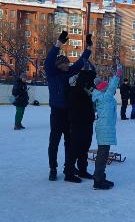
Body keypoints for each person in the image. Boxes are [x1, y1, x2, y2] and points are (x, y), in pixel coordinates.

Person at [45, 31, 92, 182]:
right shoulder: (52, 73)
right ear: (58, 65)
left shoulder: (69, 72)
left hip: (69, 114)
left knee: (70, 143)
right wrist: (58, 44)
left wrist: (89, 48)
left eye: (67, 63)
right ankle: (53, 168)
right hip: (57, 113)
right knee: (54, 142)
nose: (67, 65)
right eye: (64, 64)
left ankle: (68, 168)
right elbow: (49, 61)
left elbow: (80, 62)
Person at [91, 61, 123, 189]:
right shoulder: (105, 97)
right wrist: (118, 74)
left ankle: (100, 177)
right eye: (107, 87)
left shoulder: (102, 97)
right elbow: (112, 87)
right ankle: (98, 181)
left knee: (103, 155)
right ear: (104, 89)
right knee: (102, 155)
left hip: (104, 128)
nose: (110, 89)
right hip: (104, 128)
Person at [67, 59, 96, 179]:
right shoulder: (74, 88)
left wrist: (90, 67)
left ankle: (82, 170)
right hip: (77, 120)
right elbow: (82, 80)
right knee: (75, 146)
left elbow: (91, 77)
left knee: (85, 146)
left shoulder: (87, 85)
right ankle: (69, 172)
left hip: (87, 119)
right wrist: (85, 69)